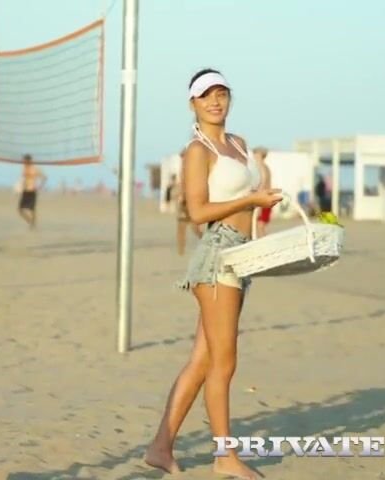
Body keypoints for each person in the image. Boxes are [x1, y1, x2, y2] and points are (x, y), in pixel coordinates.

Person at [144, 68, 281, 479]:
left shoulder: (238, 143)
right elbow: (198, 211)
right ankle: (225, 456)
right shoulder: (197, 150)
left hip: (243, 252)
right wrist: (251, 200)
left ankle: (160, 447)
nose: (215, 101)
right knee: (224, 363)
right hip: (219, 254)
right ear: (193, 104)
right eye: (206, 95)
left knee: (203, 360)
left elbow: (245, 194)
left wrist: (261, 199)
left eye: (221, 93)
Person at [171, 173, 202, 255]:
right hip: (182, 215)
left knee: (197, 231)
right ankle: (181, 250)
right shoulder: (178, 188)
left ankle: (204, 244)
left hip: (191, 214)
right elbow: (175, 197)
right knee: (181, 233)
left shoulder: (191, 187)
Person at [18, 154, 46, 229]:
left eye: (25, 161)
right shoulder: (24, 168)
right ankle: (30, 222)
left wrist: (40, 186)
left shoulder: (35, 168)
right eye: (23, 161)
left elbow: (44, 177)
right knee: (20, 210)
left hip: (32, 190)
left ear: (29, 161)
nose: (24, 163)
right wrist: (21, 186)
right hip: (25, 190)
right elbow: (24, 179)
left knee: (32, 209)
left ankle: (32, 225)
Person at [253, 147, 273, 237]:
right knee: (260, 225)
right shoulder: (265, 167)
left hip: (263, 198)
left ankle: (263, 243)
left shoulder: (261, 167)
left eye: (256, 154)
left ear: (261, 155)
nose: (254, 156)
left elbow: (263, 183)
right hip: (267, 197)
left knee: (260, 225)